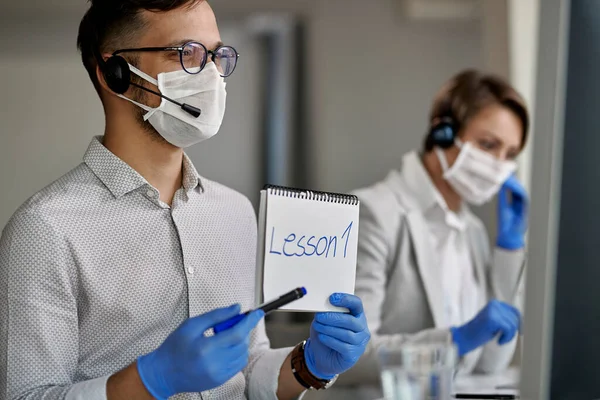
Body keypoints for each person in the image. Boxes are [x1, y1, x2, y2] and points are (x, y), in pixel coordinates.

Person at [0, 1, 371, 399]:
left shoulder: (234, 212)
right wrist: (150, 379)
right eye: (187, 53)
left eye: (216, 55)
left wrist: (309, 365)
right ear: (115, 74)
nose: (211, 75)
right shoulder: (45, 229)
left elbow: (247, 367)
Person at [316, 69, 529, 399]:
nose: (499, 165)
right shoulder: (374, 212)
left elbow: (491, 364)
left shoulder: (471, 231)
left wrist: (510, 250)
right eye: (488, 144)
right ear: (442, 132)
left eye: (510, 154)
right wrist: (454, 341)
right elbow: (346, 357)